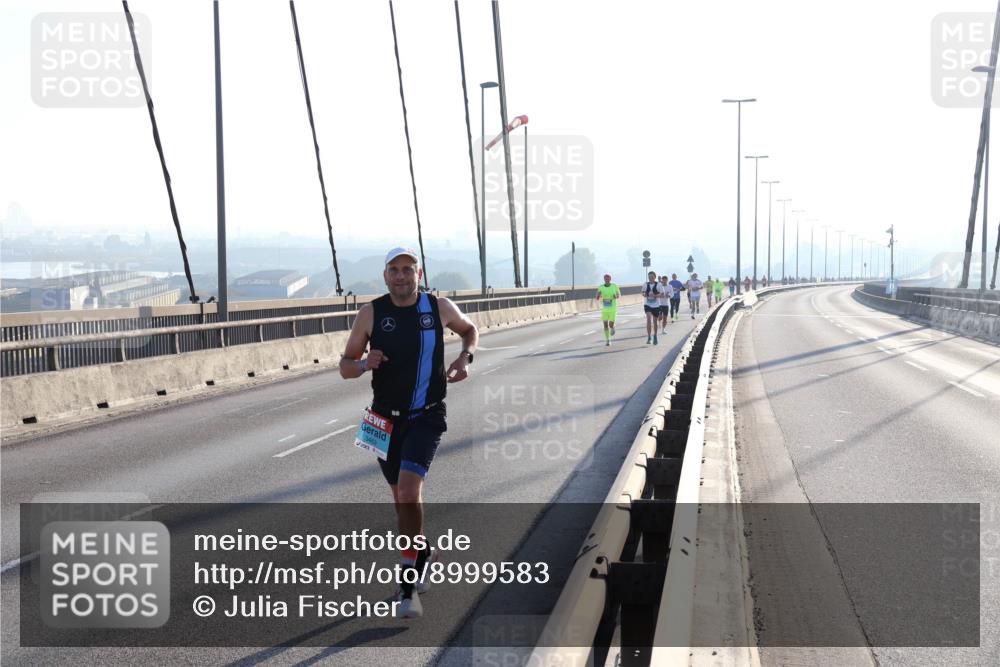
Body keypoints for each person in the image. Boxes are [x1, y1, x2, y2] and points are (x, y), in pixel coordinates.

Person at [340, 247, 479, 619]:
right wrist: (363, 363)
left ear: (419, 274)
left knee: (408, 490)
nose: (401, 276)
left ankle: (406, 589)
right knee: (401, 504)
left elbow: (470, 331)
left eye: (408, 269)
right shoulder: (370, 313)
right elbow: (344, 367)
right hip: (381, 421)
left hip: (427, 415)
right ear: (385, 276)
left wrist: (464, 358)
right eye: (394, 270)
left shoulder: (438, 308)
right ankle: (425, 553)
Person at [595, 273, 621, 346]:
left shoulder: (614, 286)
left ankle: (612, 328)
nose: (606, 279)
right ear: (604, 279)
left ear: (610, 279)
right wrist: (598, 296)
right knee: (605, 325)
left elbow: (618, 295)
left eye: (608, 278)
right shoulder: (601, 287)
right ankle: (608, 340)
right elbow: (597, 296)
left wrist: (615, 296)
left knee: (610, 325)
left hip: (613, 309)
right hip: (605, 309)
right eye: (605, 278)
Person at [642, 271, 663, 345]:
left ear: (655, 277)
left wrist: (655, 295)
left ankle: (655, 336)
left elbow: (662, 294)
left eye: (652, 277)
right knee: (648, 319)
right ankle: (649, 337)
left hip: (656, 305)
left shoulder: (659, 284)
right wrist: (645, 295)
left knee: (655, 321)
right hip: (647, 304)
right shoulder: (645, 284)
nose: (650, 278)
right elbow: (643, 293)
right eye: (649, 277)